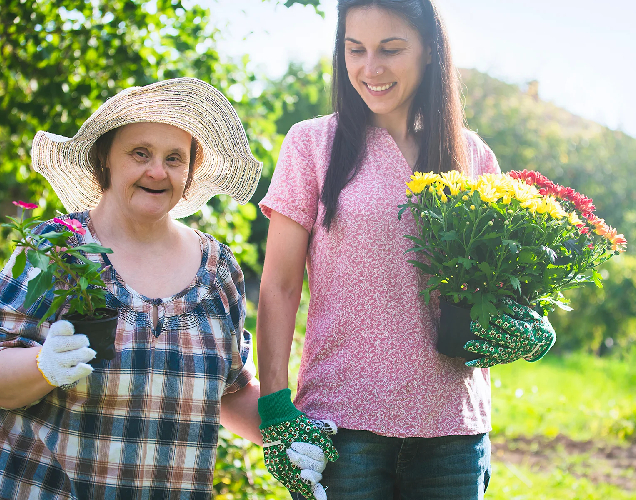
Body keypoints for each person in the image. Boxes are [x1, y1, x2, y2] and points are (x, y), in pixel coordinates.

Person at [256, 1, 555, 499]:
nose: (370, 68)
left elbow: (494, 289)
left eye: (390, 49)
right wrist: (274, 406)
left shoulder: (473, 156)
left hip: (452, 430)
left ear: (430, 49)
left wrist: (526, 320)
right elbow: (280, 286)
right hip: (341, 424)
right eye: (355, 50)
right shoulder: (311, 144)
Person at [0, 78, 266, 498]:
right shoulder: (57, 250)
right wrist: (44, 366)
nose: (158, 171)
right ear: (105, 157)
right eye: (140, 153)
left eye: (174, 158)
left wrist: (292, 435)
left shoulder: (217, 270)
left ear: (189, 171)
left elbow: (230, 392)